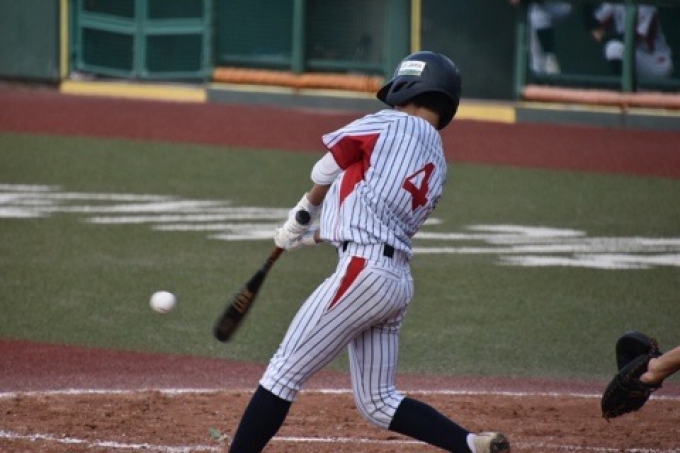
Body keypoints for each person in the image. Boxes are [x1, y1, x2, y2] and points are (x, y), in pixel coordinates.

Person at [227, 51, 510, 453]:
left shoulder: (387, 122)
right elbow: (375, 209)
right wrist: (311, 235)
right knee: (378, 402)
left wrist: (304, 211)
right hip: (394, 284)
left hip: (363, 272)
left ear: (409, 86)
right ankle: (470, 445)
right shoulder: (437, 160)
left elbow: (325, 170)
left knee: (282, 373)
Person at [586, 2, 673, 79]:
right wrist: (586, 6)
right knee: (613, 48)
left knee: (614, 47)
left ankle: (629, 89)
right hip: (633, 57)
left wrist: (604, 37)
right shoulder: (615, 4)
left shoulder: (646, 6)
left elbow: (632, 38)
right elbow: (593, 23)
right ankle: (624, 89)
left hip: (656, 62)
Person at [510, 0, 573, 74]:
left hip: (553, 8)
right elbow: (514, 1)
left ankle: (549, 59)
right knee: (537, 15)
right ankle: (548, 59)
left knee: (566, 8)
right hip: (534, 13)